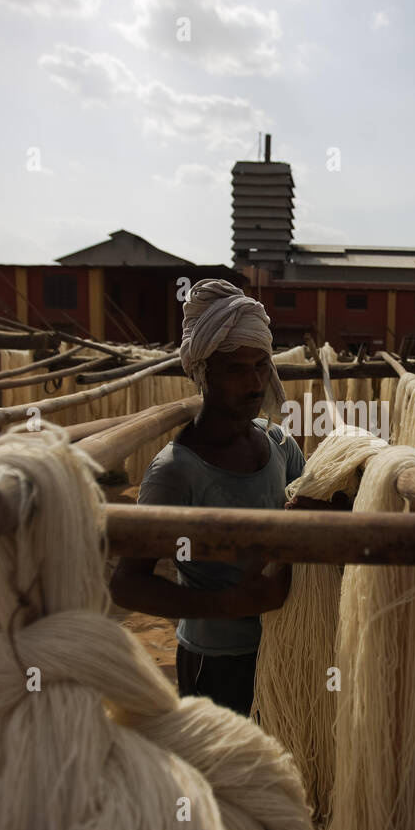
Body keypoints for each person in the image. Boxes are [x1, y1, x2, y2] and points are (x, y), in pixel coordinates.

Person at [109, 279, 305, 717]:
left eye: (261, 365)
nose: (256, 382)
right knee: (218, 777)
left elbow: (310, 505)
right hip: (215, 663)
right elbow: (127, 583)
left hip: (285, 648)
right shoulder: (176, 472)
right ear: (204, 373)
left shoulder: (278, 444)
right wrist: (226, 605)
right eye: (237, 369)